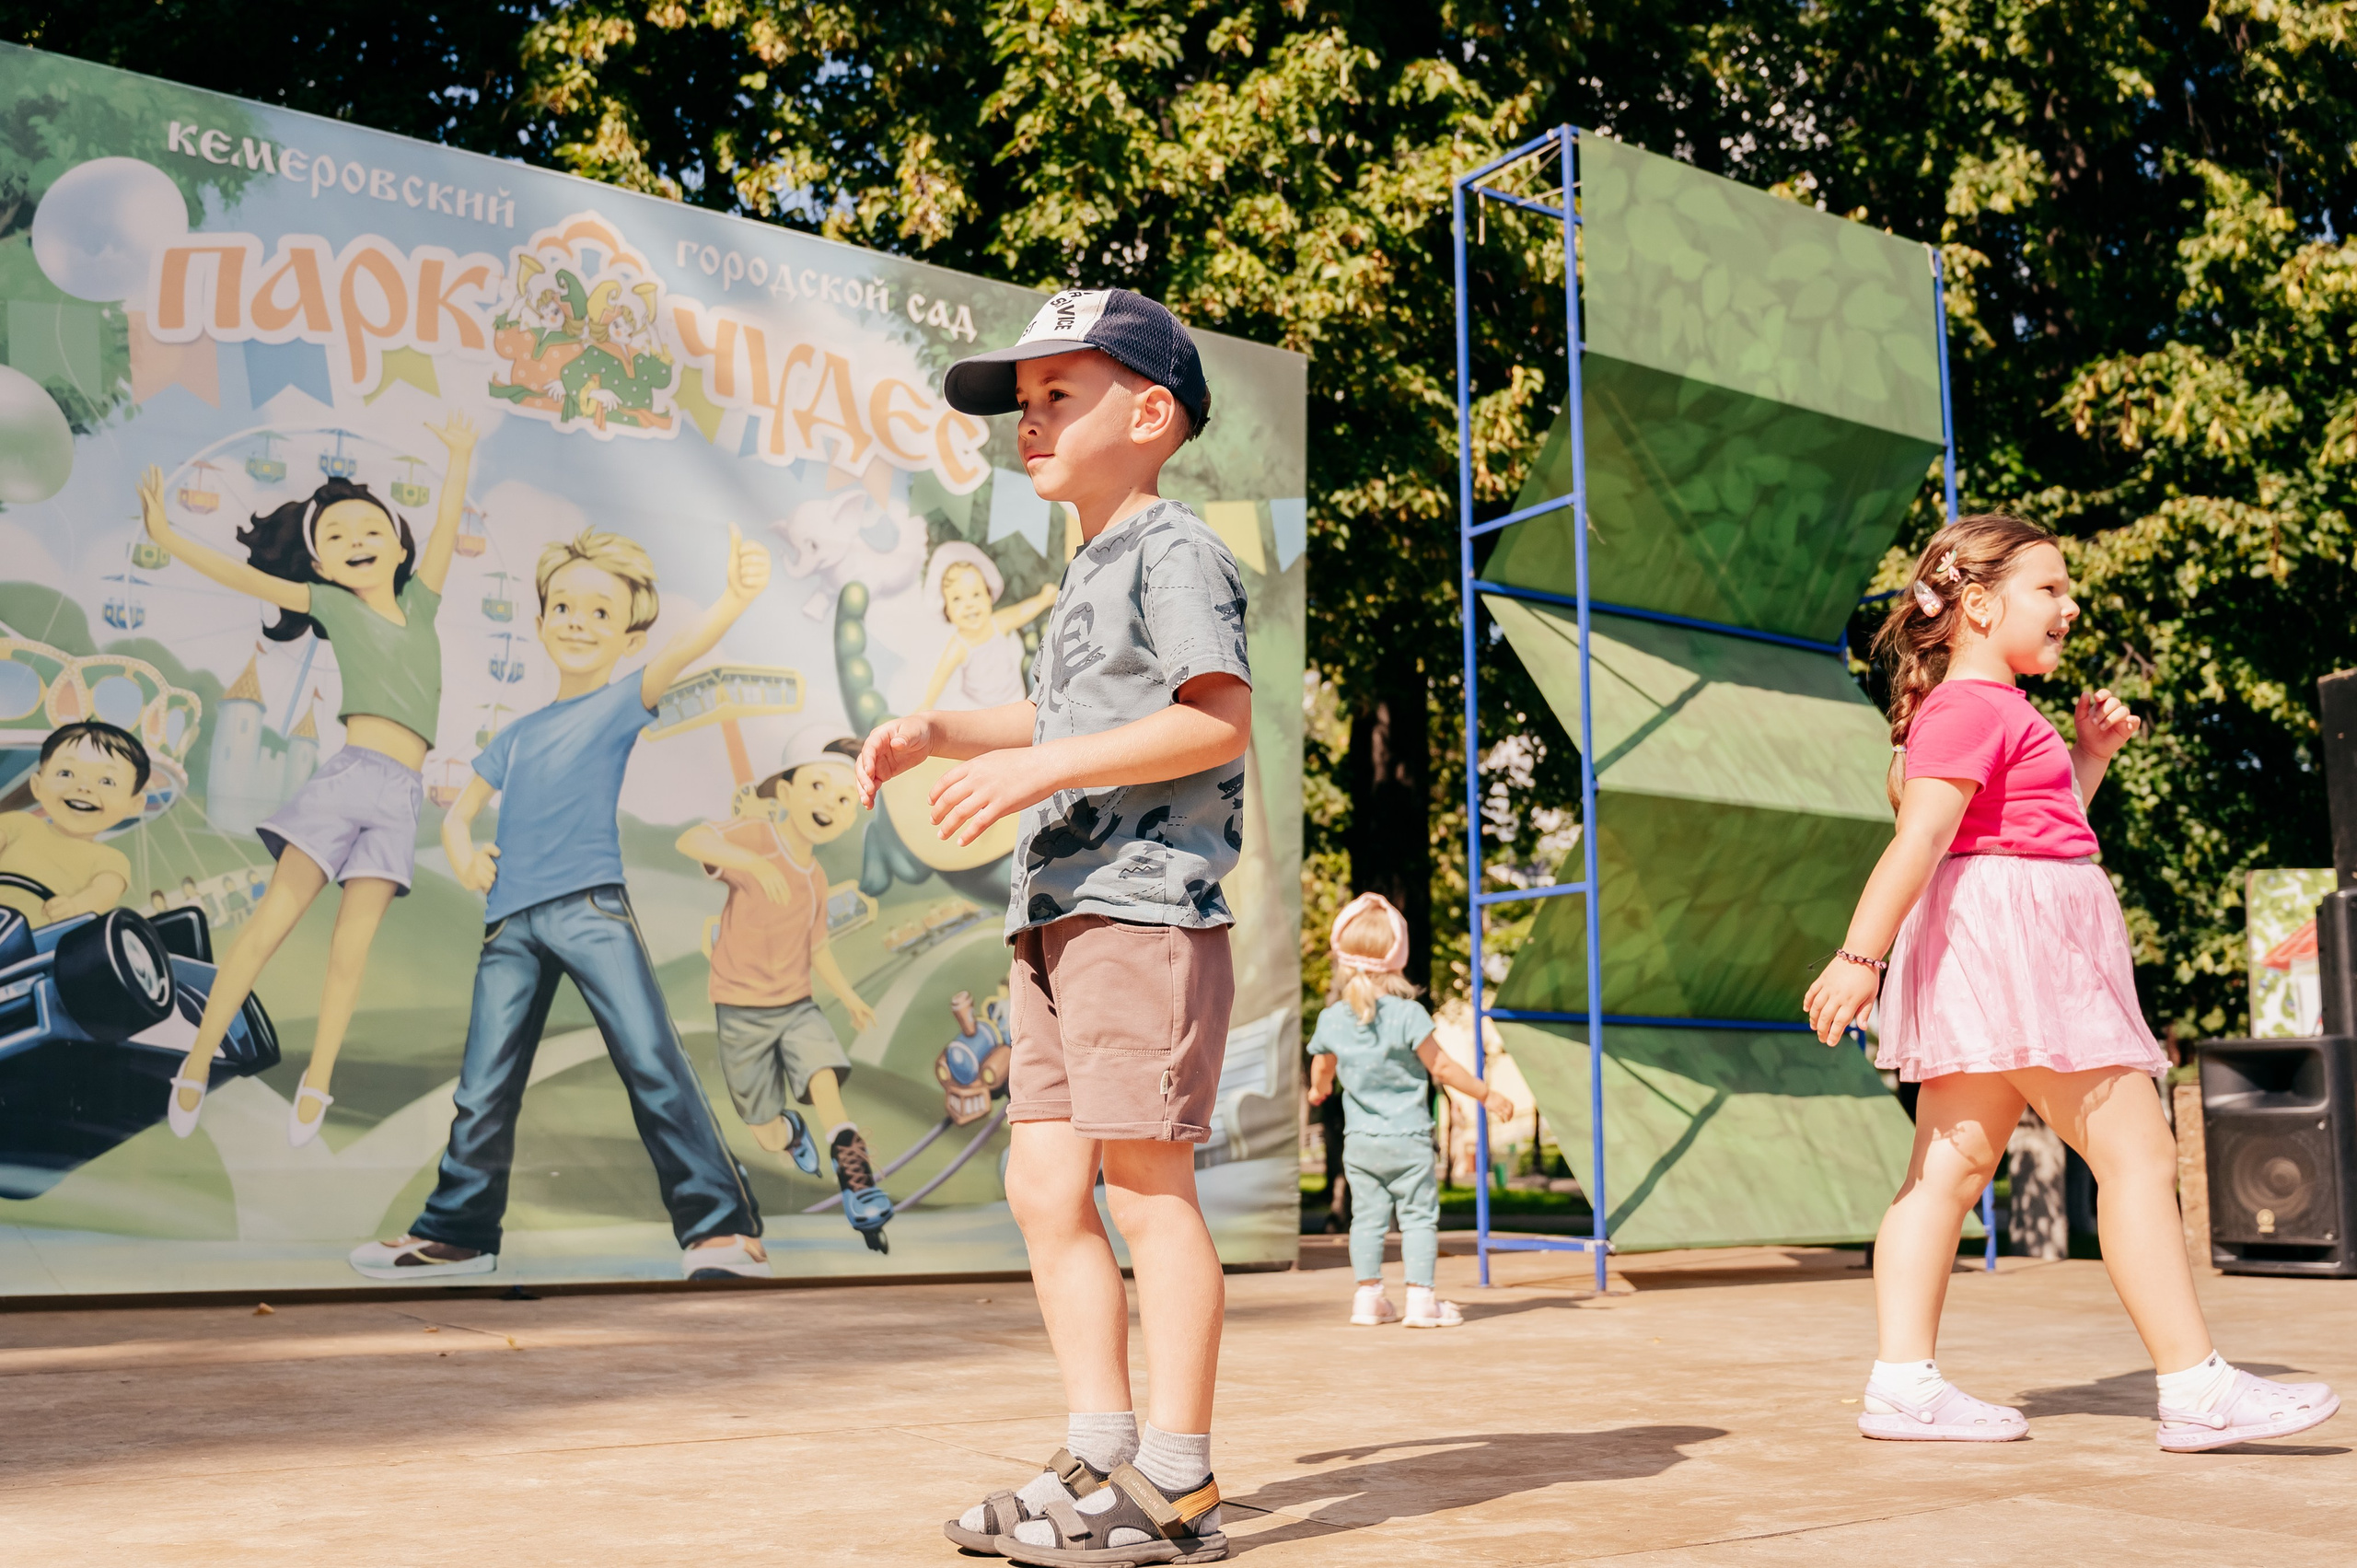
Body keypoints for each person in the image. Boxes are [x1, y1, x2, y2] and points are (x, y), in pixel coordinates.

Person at [1805, 514, 2340, 1452]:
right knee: (2134, 1154)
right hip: (2023, 952)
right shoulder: (1974, 707)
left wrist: (2086, 759)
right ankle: (2193, 1383)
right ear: (1976, 604)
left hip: (1995, 949)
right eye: (2048, 588)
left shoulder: (1995, 709)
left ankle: (1903, 1384)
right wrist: (1859, 954)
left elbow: (2023, 834)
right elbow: (1920, 838)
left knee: (1945, 1172)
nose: (2069, 604)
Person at [858, 288, 1249, 1563]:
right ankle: (1100, 1446)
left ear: (1150, 412)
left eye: (1056, 398)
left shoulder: (1174, 548)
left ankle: (1178, 1482)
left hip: (1141, 908)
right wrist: (936, 731)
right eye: (1021, 406)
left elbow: (1214, 719)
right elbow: (1057, 715)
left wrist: (1040, 773)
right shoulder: (1084, 566)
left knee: (1146, 1187)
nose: (1028, 424)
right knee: (1041, 1181)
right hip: (1058, 913)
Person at [348, 524, 773, 1283]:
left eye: (601, 614)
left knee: (650, 1058)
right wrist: (463, 850)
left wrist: (736, 596)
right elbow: (457, 811)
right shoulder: (517, 735)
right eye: (565, 608)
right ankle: (458, 1233)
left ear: (627, 636)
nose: (578, 623)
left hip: (589, 907)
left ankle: (721, 1228)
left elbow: (682, 654)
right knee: (484, 1081)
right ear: (541, 621)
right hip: (510, 920)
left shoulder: (620, 702)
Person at [144, 414, 478, 1148]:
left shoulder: (422, 601)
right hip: (348, 778)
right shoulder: (329, 603)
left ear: (398, 544)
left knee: (349, 953)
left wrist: (459, 457)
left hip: (400, 797)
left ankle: (317, 1079)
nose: (356, 543)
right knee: (268, 927)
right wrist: (168, 539)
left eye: (370, 531)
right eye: (336, 538)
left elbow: (450, 524)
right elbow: (246, 575)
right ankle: (195, 1061)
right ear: (320, 565)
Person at [676, 728, 896, 1250]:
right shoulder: (755, 836)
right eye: (818, 787)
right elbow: (692, 840)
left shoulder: (816, 878)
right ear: (786, 790)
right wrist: (750, 863)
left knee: (825, 1079)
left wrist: (846, 997)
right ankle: (791, 1133)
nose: (830, 805)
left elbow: (817, 948)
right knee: (763, 1128)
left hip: (796, 1006)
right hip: (740, 1011)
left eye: (844, 799)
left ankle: (855, 1174)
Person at [1306, 891, 1515, 1330]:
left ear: (1341, 957)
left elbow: (1323, 1068)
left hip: (1361, 1144)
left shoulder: (1332, 1019)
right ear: (1397, 958)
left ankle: (1368, 1298)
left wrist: (1317, 1090)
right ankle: (1421, 1301)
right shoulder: (1408, 1014)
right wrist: (1486, 1094)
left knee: (1366, 1219)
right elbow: (1441, 1067)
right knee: (1418, 1218)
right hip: (1409, 1140)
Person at [0, 723, 148, 927]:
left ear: (135, 804)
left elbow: (104, 892)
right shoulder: (18, 823)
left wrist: (76, 907)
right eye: (66, 774)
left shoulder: (111, 860)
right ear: (37, 785)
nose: (83, 787)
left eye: (106, 781)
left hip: (43, 946)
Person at [919, 541, 1057, 712]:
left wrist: (1043, 599)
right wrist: (926, 704)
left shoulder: (997, 623)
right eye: (957, 599)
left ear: (988, 595)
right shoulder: (960, 645)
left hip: (1014, 696)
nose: (969, 605)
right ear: (946, 608)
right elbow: (940, 677)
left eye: (976, 594)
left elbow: (1021, 612)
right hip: (979, 708)